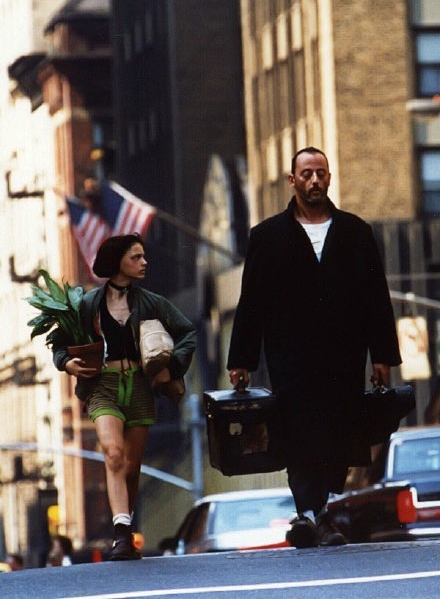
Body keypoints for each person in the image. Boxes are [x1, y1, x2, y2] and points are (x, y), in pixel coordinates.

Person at [227, 147, 401, 549]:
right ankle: (317, 516)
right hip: (291, 357)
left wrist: (383, 355)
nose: (315, 180)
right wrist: (241, 359)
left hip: (344, 355)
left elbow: (376, 297)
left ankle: (307, 515)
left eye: (321, 173)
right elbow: (251, 301)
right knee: (300, 431)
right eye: (307, 174)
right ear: (293, 180)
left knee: (338, 433)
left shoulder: (355, 231)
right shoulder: (267, 236)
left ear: (329, 177)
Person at [52, 233, 196, 560]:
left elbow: (187, 330)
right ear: (118, 262)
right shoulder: (88, 303)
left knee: (131, 467)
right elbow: (60, 343)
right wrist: (66, 363)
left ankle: (126, 532)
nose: (144, 262)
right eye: (136, 257)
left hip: (140, 387)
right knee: (113, 453)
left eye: (143, 256)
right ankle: (120, 533)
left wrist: (172, 367)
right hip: (102, 386)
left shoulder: (151, 302)